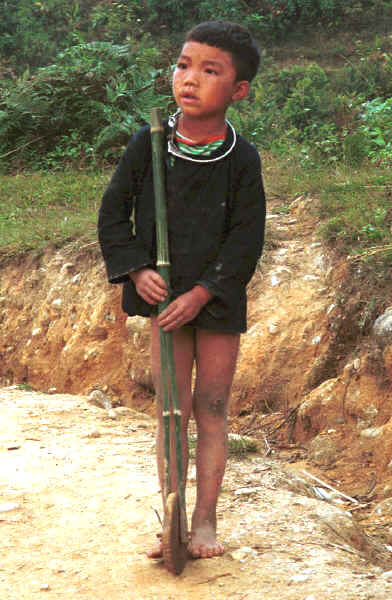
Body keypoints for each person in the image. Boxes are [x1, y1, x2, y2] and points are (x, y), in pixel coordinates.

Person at [98, 20, 265, 560]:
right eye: (183, 65)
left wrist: (204, 292)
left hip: (215, 299)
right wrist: (135, 269)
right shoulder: (149, 145)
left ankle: (205, 523)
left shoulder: (241, 158)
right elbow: (112, 214)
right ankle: (169, 517)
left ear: (237, 90)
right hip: (163, 302)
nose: (189, 79)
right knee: (172, 409)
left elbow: (246, 238)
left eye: (209, 70)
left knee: (211, 407)